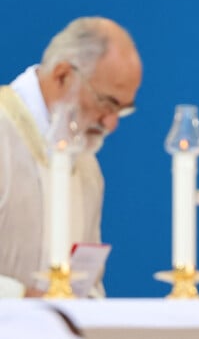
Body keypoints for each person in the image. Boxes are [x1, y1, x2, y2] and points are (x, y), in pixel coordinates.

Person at [0, 17, 142, 297]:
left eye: (122, 110)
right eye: (107, 102)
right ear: (62, 74)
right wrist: (21, 296)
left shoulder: (86, 164)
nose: (111, 124)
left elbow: (87, 286)